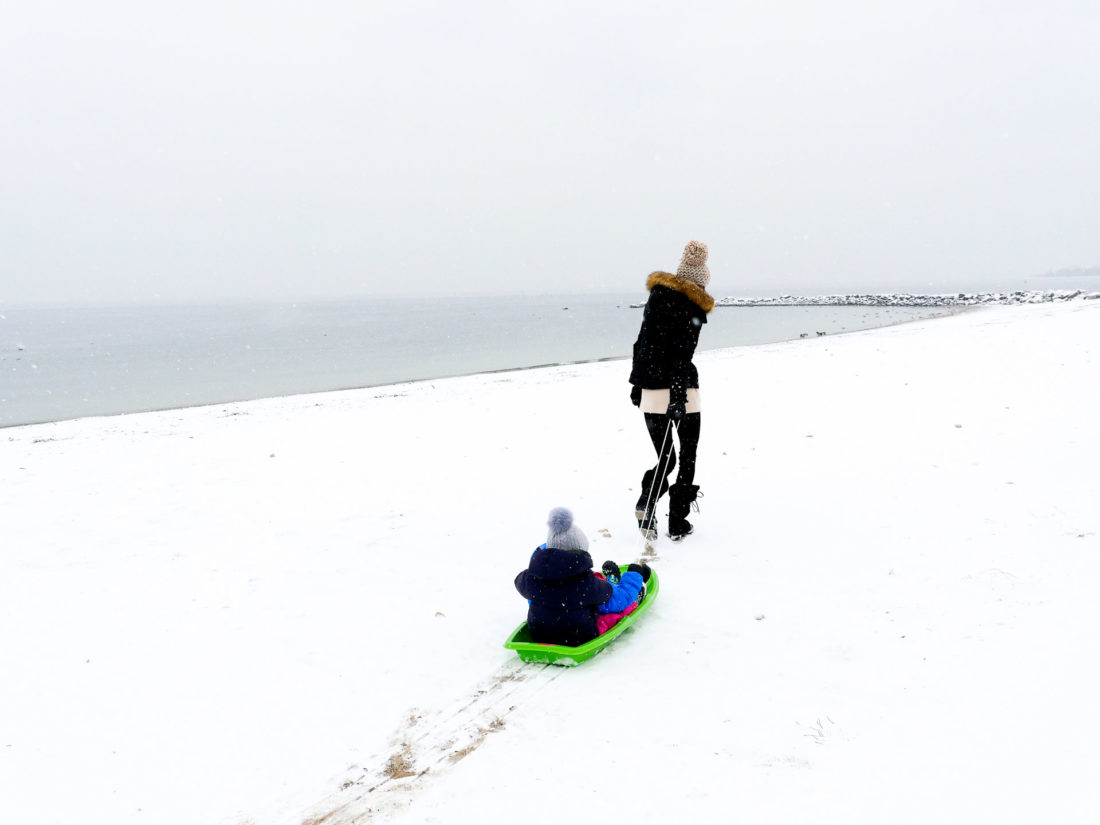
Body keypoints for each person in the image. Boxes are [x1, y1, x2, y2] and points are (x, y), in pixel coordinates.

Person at [628, 240, 715, 541]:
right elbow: (681, 355)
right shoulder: (693, 306)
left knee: (666, 457)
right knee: (686, 457)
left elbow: (642, 343)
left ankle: (646, 503)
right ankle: (677, 522)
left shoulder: (657, 298)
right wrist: (678, 396)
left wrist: (636, 384)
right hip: (683, 390)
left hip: (651, 388)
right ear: (700, 282)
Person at [514, 508, 652, 646]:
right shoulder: (585, 583)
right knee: (615, 611)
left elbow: (521, 582)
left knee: (588, 589)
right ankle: (633, 595)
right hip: (579, 637)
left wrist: (545, 557)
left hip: (539, 634)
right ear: (580, 554)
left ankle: (610, 583)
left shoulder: (532, 577)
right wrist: (635, 575)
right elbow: (618, 601)